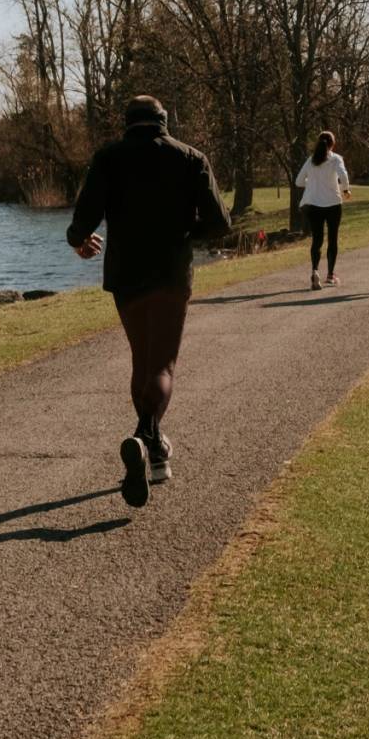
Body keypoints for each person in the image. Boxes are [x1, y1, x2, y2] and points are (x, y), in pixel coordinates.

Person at [66, 96, 231, 507]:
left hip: (126, 275)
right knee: (162, 366)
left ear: (127, 124)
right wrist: (183, 231)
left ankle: (153, 453)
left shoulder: (108, 158)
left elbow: (82, 221)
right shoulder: (191, 158)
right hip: (172, 273)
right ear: (164, 121)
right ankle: (144, 437)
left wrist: (80, 242)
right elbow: (220, 223)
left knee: (142, 361)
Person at [295, 130, 352, 289]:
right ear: (332, 144)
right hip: (333, 204)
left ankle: (315, 271)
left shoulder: (311, 160)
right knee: (332, 239)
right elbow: (344, 176)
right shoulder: (335, 159)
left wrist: (313, 183)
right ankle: (330, 275)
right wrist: (346, 189)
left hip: (313, 205)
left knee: (317, 240)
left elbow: (299, 181)